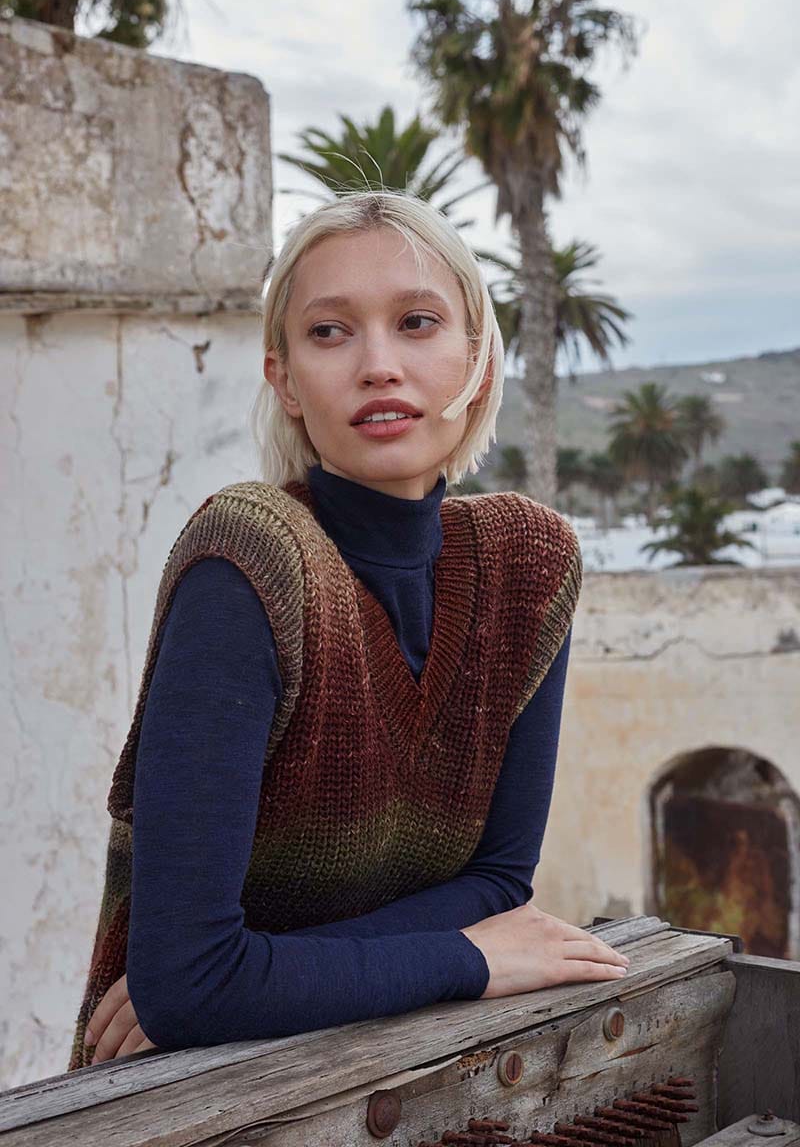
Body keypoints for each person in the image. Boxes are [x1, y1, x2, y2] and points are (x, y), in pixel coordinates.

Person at [67, 189, 628, 1071]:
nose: (378, 365)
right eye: (329, 332)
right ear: (284, 379)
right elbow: (189, 986)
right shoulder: (249, 561)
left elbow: (498, 881)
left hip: (428, 1078)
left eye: (416, 322)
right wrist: (470, 957)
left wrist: (267, 967)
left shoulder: (530, 565)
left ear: (478, 359)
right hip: (185, 1102)